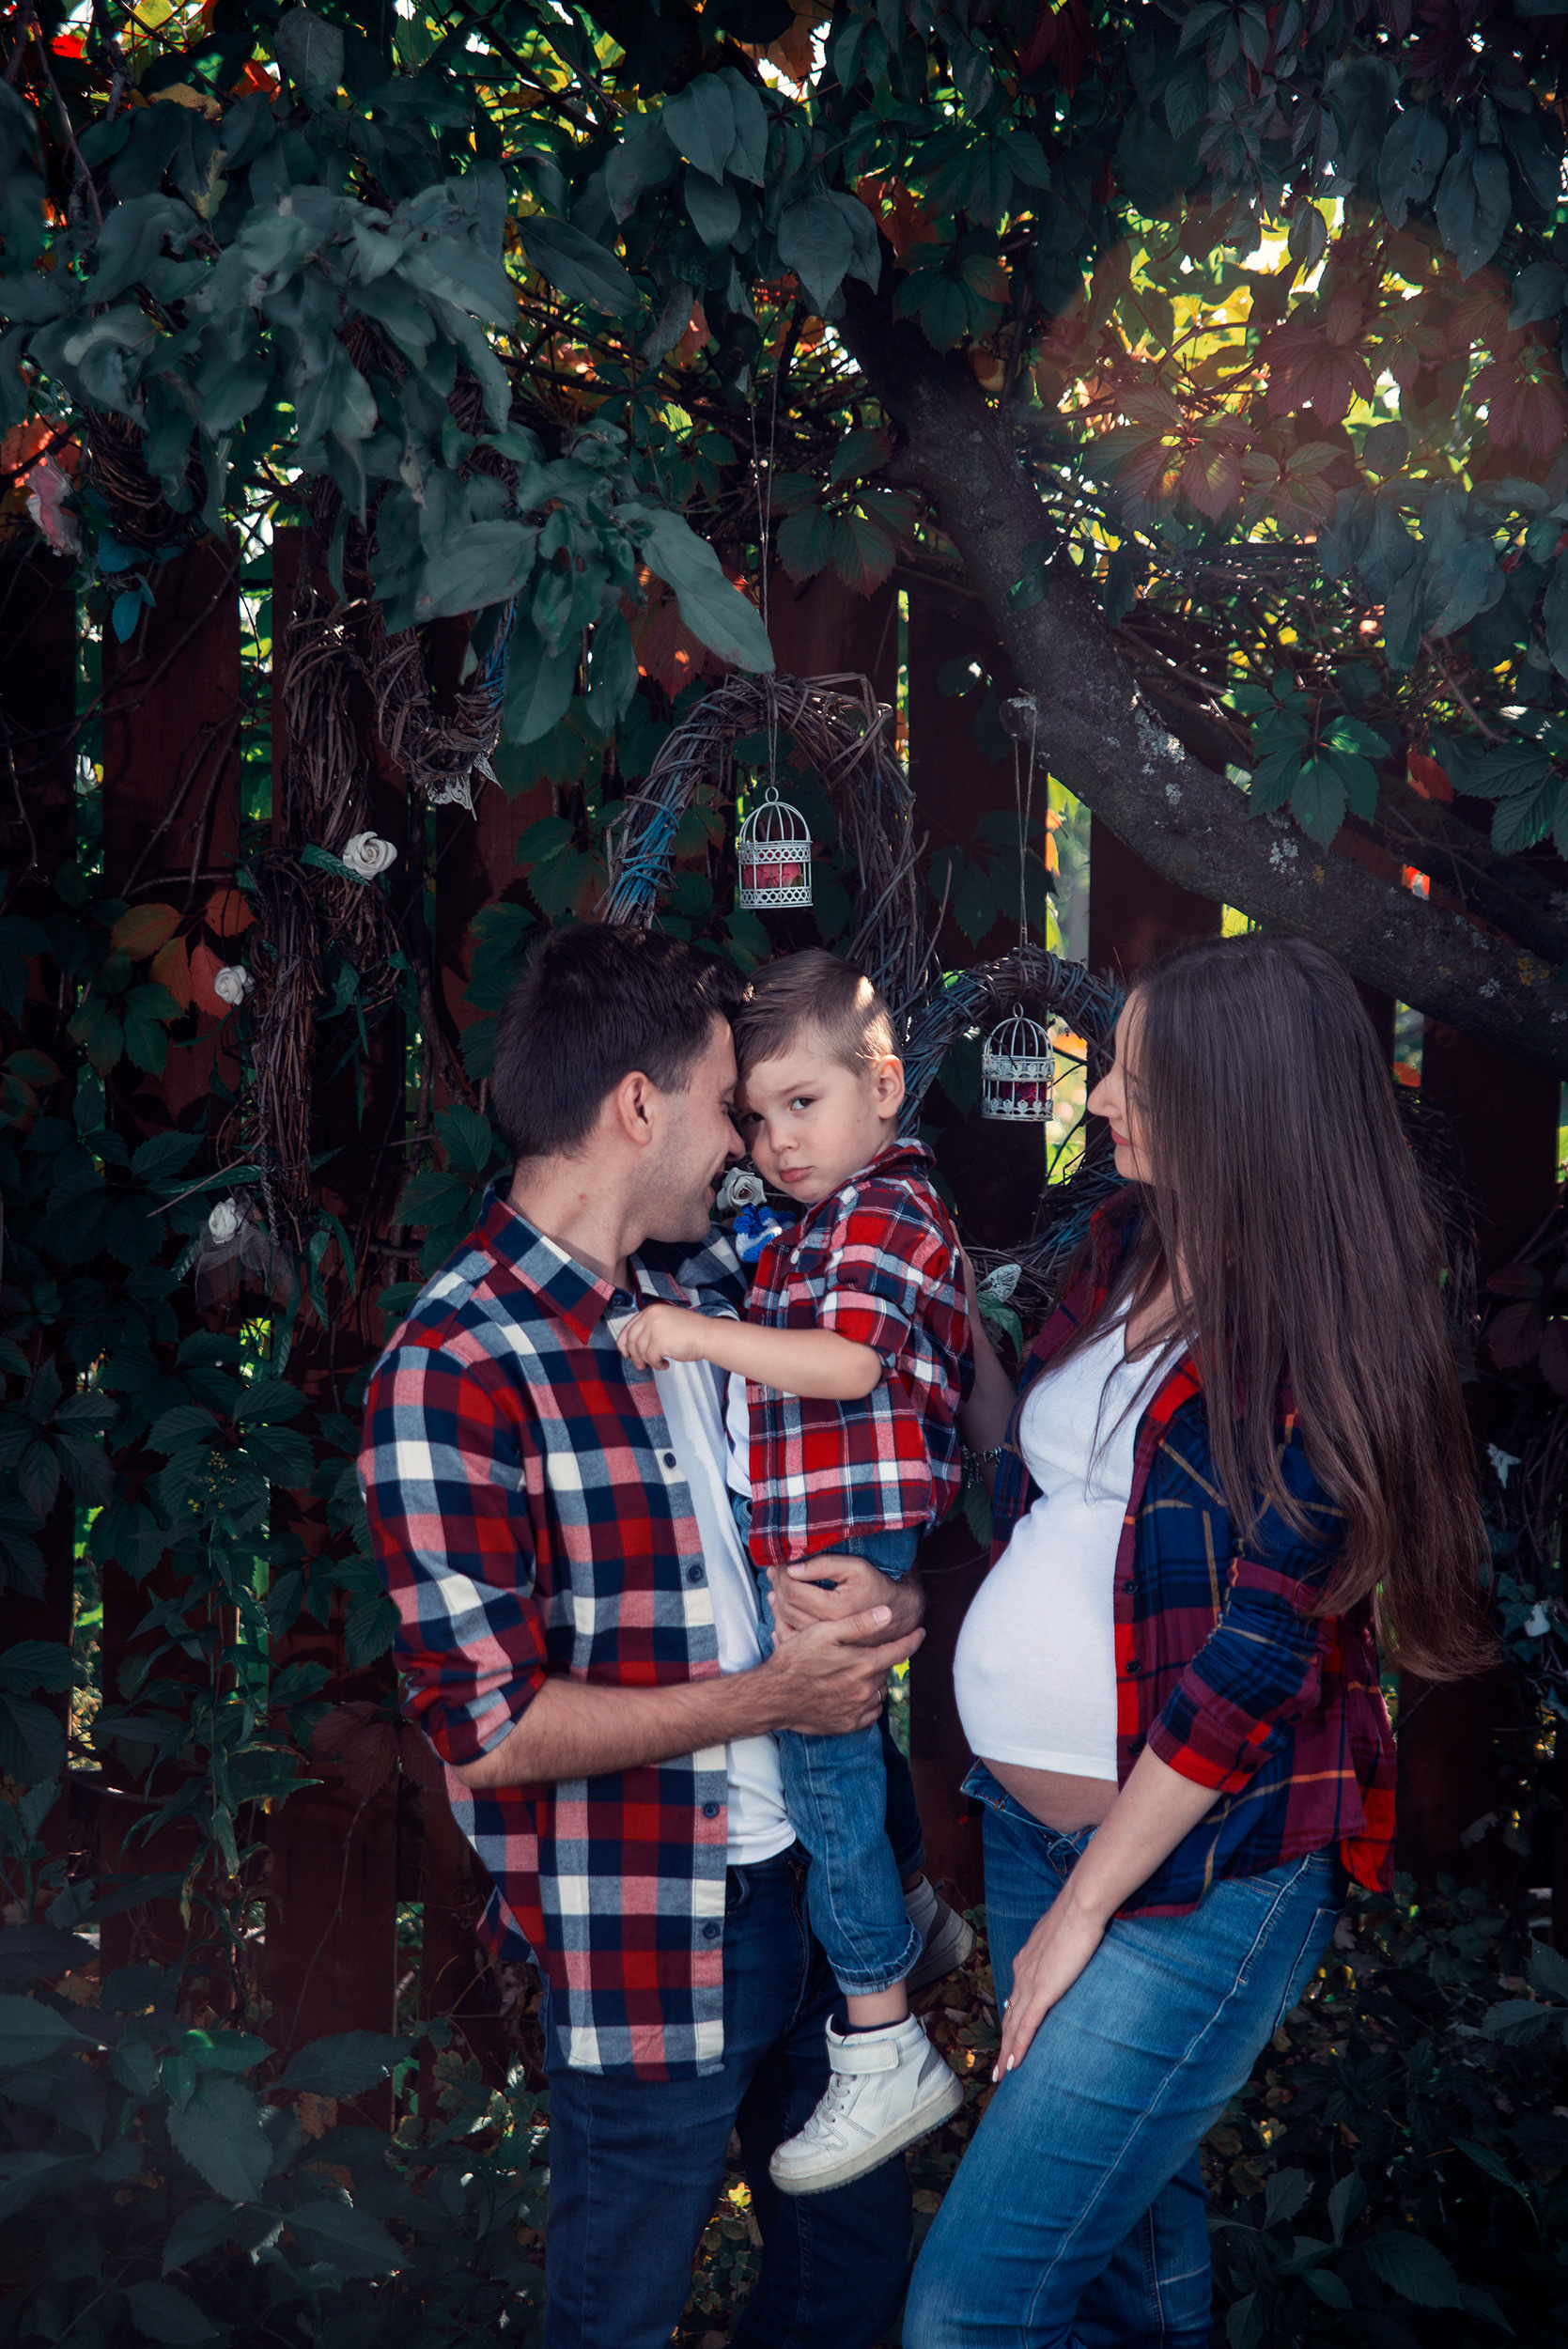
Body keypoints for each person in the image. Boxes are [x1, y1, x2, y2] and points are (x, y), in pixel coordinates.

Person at [904, 933, 1491, 2349]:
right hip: (1044, 1831)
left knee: (971, 2310)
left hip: (1198, 1876)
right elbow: (1048, 1491)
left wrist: (1078, 1919)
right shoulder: (1125, 1250)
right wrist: (935, 1328)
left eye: (1131, 1080)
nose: (1098, 1102)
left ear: (1233, 1104)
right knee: (1123, 2269)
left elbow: (1247, 1667)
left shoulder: (1322, 1344)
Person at [359, 924, 926, 2349]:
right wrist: (773, 1696)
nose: (744, 1146)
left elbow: (850, 1509)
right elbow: (488, 1738)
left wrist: (887, 1608)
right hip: (652, 1943)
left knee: (849, 2298)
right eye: (727, 1106)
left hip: (826, 1895)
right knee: (616, 2317)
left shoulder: (713, 1300)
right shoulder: (453, 1365)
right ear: (635, 1105)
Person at [615, 950, 974, 2194]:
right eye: (756, 1118)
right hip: (831, 1535)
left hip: (844, 1538)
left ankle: (881, 2039)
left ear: (882, 1085)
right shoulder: (829, 1214)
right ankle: (917, 1907)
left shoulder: (883, 1211)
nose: (775, 1142)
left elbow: (849, 1367)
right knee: (854, 1758)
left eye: (802, 1105)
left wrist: (688, 1333)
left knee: (821, 1781)